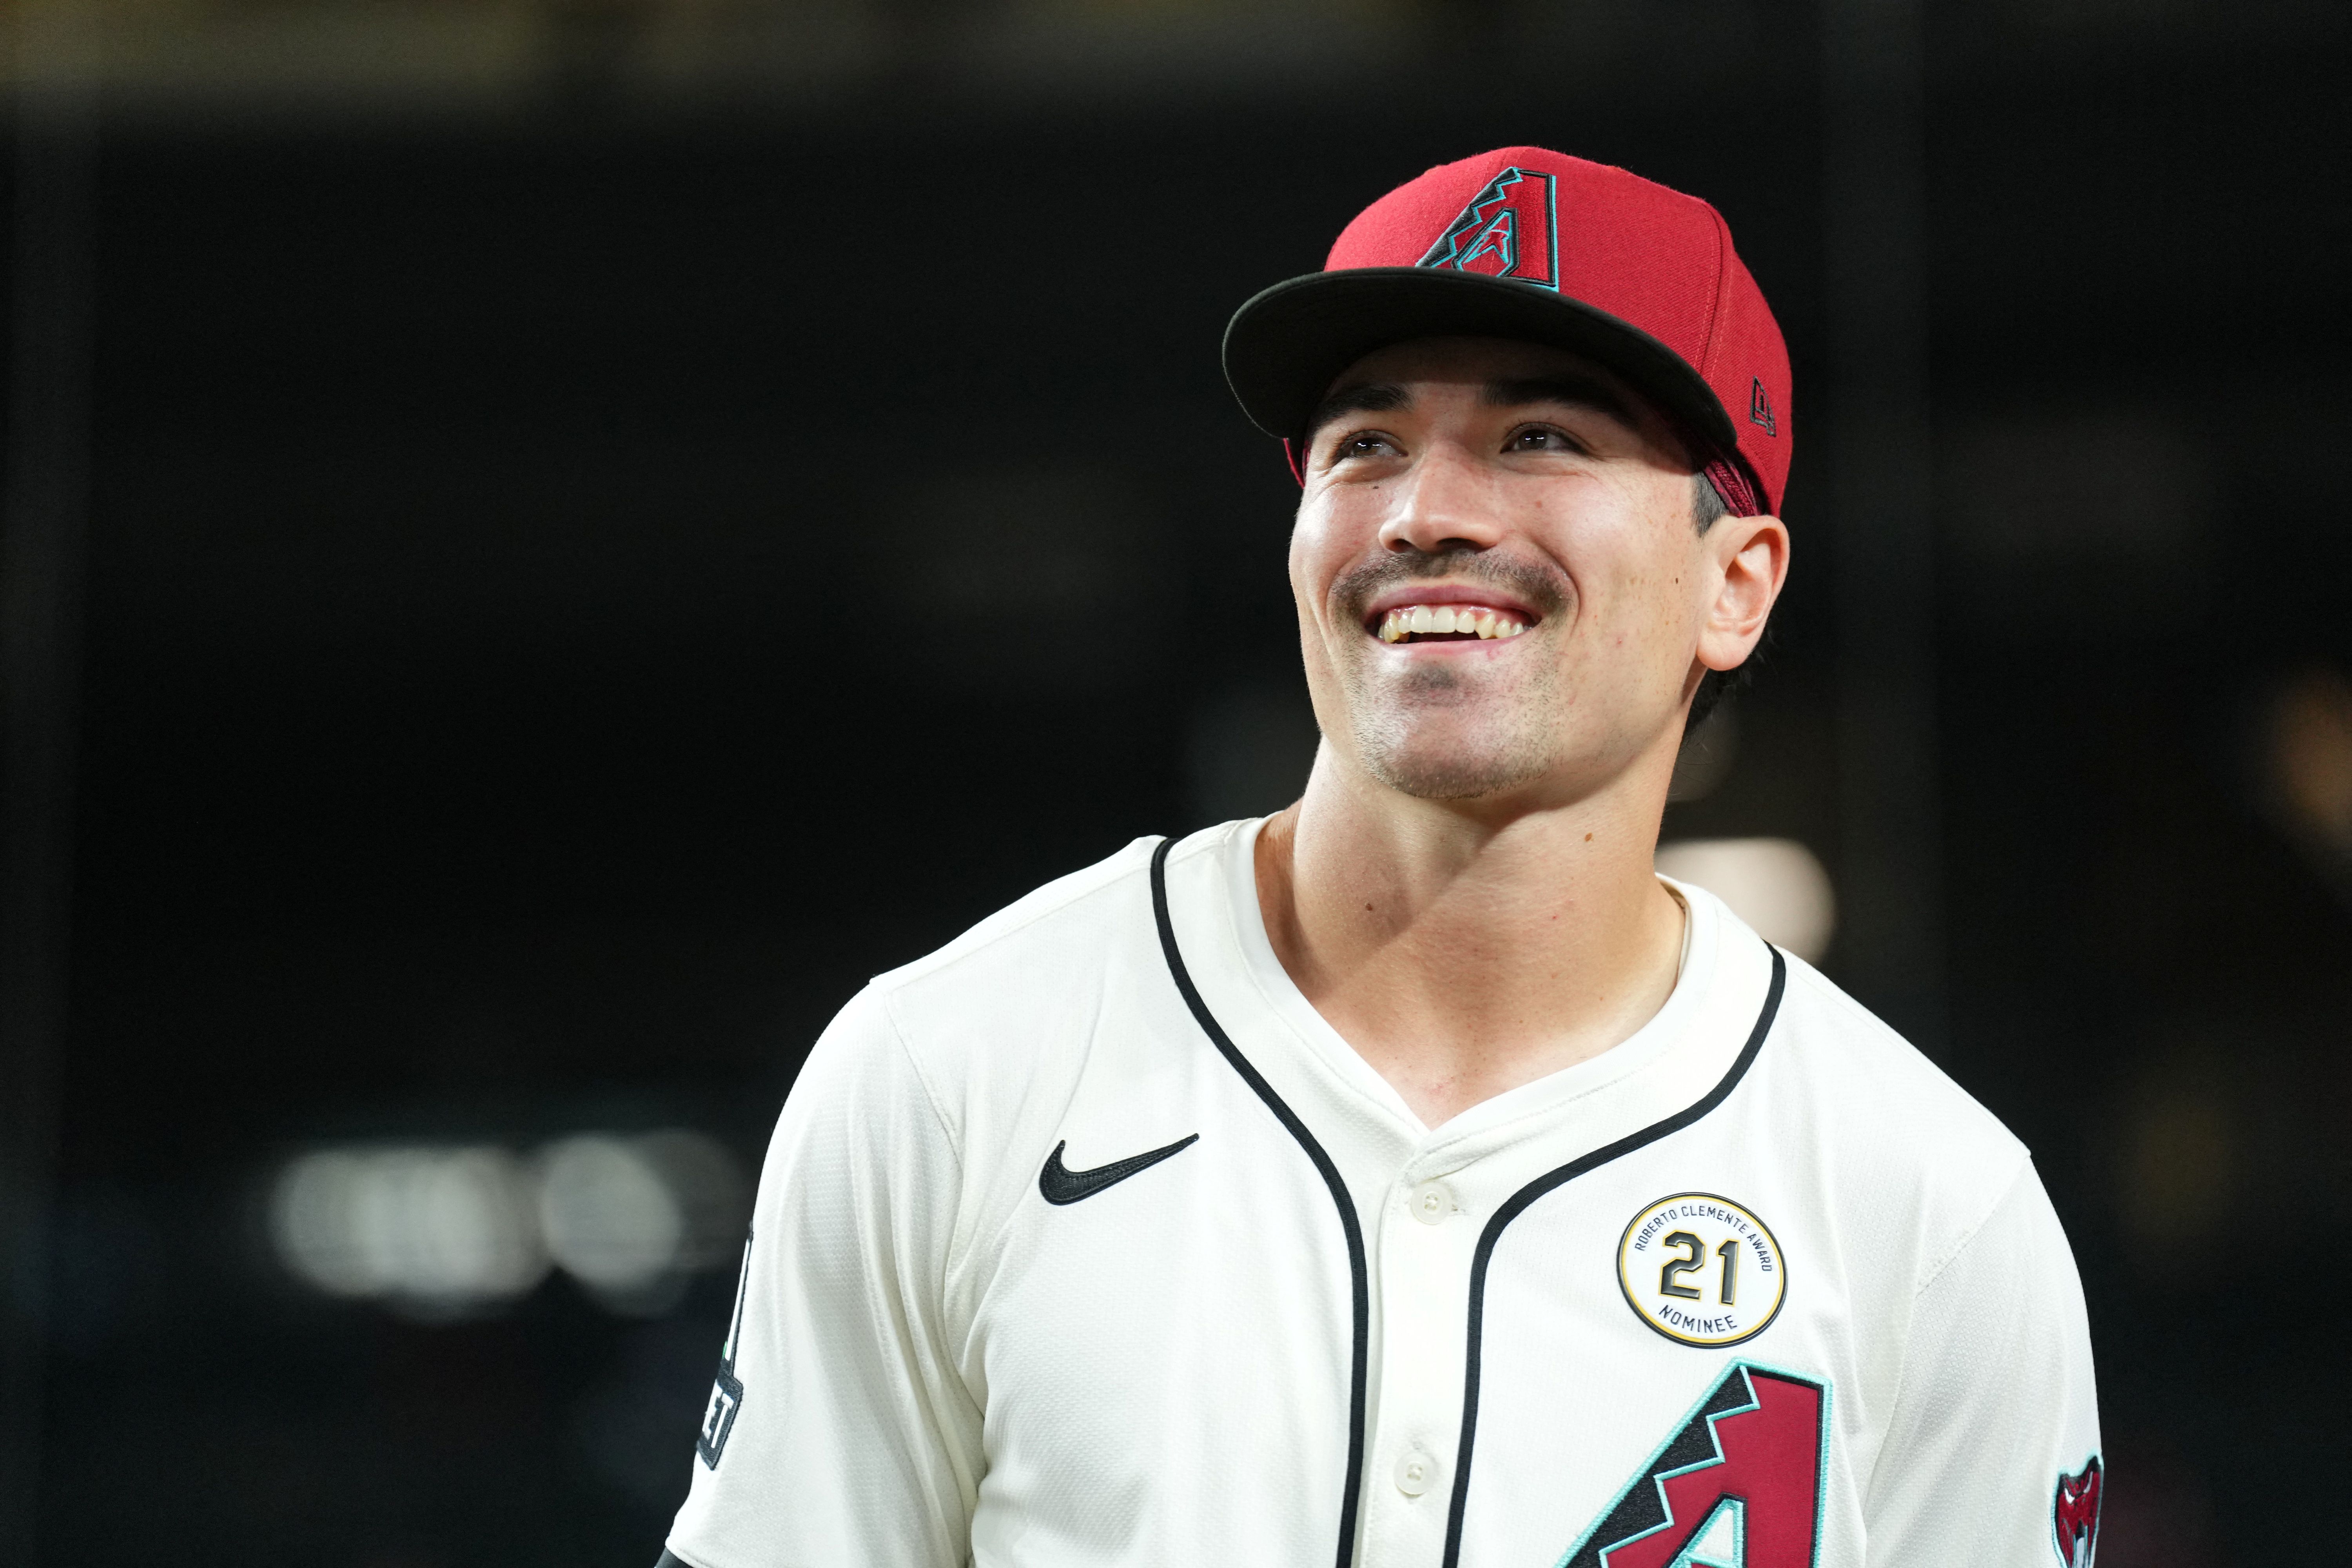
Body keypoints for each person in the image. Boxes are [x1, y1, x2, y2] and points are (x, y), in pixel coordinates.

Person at [657, 147, 2102, 1568]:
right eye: (1365, 444)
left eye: (1544, 436)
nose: (1427, 513)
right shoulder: (956, 1071)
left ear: (1736, 583)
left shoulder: (1932, 1207)